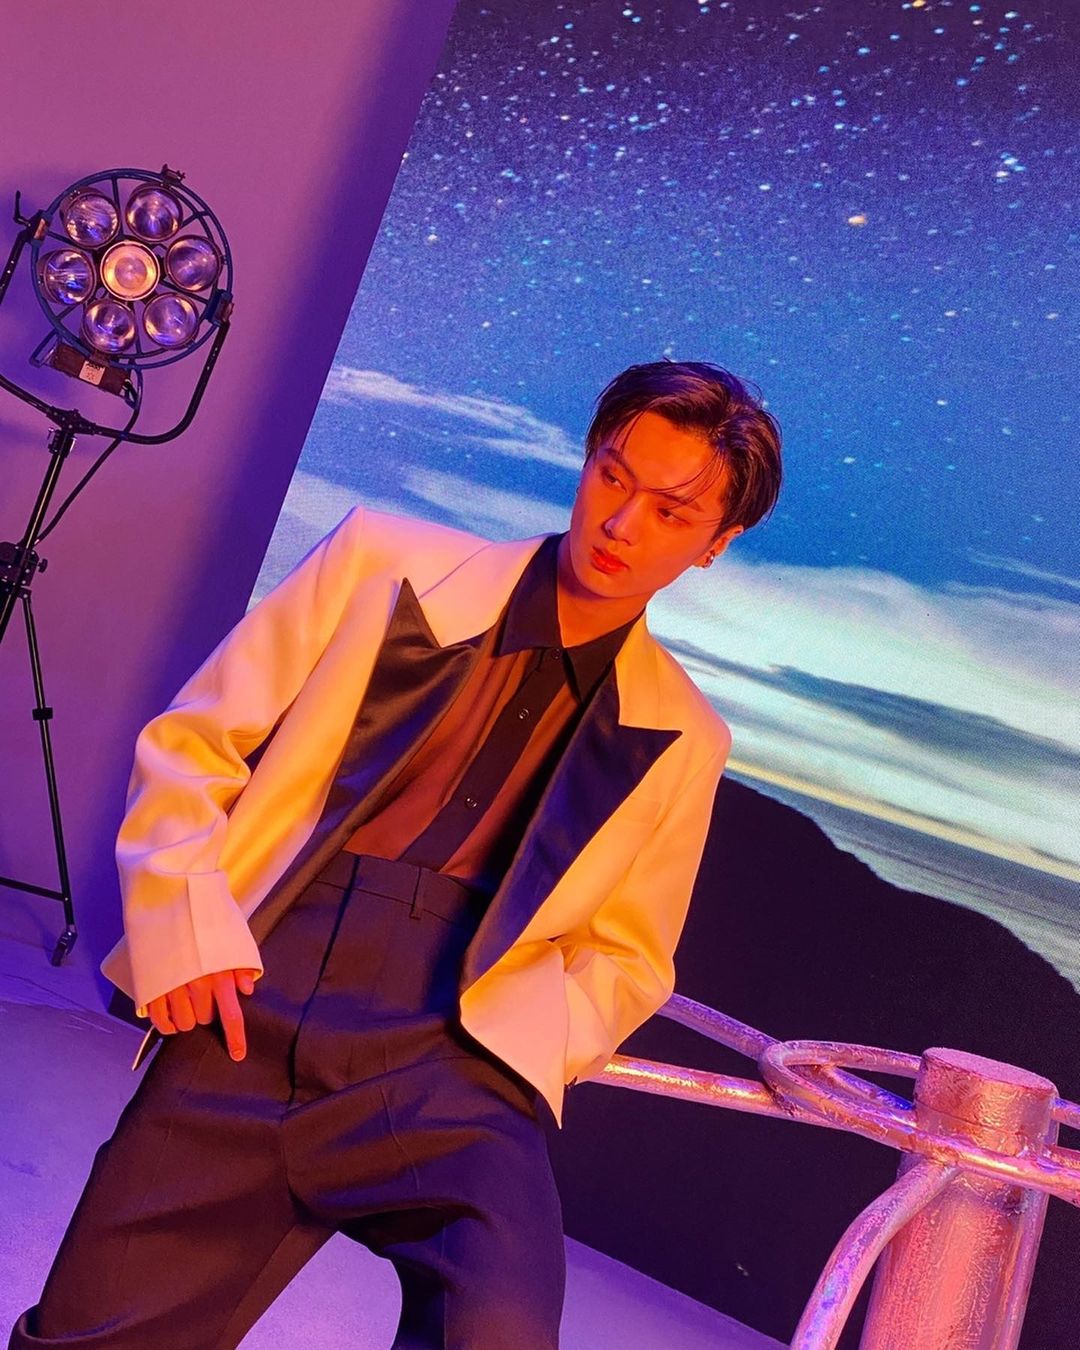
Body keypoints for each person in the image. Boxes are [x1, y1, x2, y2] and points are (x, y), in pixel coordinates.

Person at [9, 360, 782, 1349]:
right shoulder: (380, 560)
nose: (622, 524)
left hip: (453, 1055)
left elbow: (630, 955)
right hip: (261, 996)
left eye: (671, 513)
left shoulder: (685, 736)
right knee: (94, 1332)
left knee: (498, 1327)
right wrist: (189, 929)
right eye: (613, 475)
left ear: (718, 543)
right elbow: (194, 744)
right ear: (590, 460)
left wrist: (520, 1051)